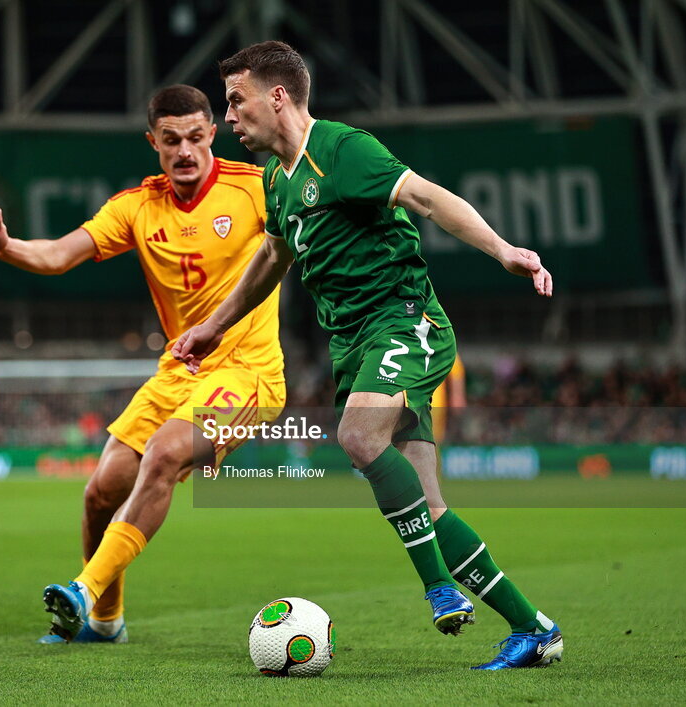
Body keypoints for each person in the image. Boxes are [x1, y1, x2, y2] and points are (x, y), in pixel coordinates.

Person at [173, 41, 561, 670]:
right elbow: (273, 256)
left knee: (357, 436)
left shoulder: (343, 151)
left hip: (405, 321)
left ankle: (437, 587)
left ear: (278, 97)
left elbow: (430, 199)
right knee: (430, 507)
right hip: (352, 344)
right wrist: (215, 326)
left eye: (236, 101)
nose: (230, 118)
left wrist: (505, 250)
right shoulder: (277, 177)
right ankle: (533, 628)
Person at [0, 85, 286, 644]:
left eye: (196, 138)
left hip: (248, 372)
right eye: (171, 140)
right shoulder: (136, 206)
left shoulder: (255, 189)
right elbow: (60, 253)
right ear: (153, 141)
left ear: (212, 134)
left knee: (165, 452)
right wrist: (8, 248)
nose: (185, 151)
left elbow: (305, 232)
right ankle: (106, 622)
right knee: (100, 492)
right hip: (177, 373)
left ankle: (83, 591)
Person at [432, 353, 466, 444]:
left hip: (433, 405)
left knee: (432, 442)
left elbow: (456, 370)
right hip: (412, 402)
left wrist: (457, 395)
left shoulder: (439, 342)